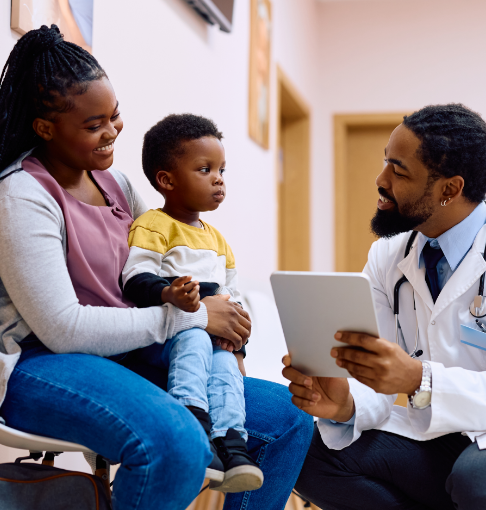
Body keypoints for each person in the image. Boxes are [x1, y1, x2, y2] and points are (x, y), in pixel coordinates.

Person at [0, 25, 314, 510]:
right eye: (92, 125)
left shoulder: (117, 185)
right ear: (45, 127)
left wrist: (228, 326)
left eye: (115, 116)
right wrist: (193, 316)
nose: (111, 133)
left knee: (287, 418)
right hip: (39, 363)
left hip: (131, 351)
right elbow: (62, 329)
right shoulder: (22, 195)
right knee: (177, 442)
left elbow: (171, 258)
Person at [284, 104, 486, 510]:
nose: (381, 181)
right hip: (433, 436)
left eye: (399, 170)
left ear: (449, 189)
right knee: (303, 453)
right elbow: (378, 372)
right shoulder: (388, 257)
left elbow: (410, 377)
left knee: (474, 479)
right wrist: (346, 403)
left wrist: (419, 380)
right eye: (385, 163)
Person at [121, 113, 263, 493]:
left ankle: (232, 444)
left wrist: (239, 346)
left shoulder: (219, 241)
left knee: (224, 365)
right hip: (166, 335)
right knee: (198, 337)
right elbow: (134, 277)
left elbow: (229, 300)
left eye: (222, 170)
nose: (218, 178)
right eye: (205, 169)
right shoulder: (153, 225)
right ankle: (191, 424)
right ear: (167, 180)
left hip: (206, 333)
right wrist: (170, 293)